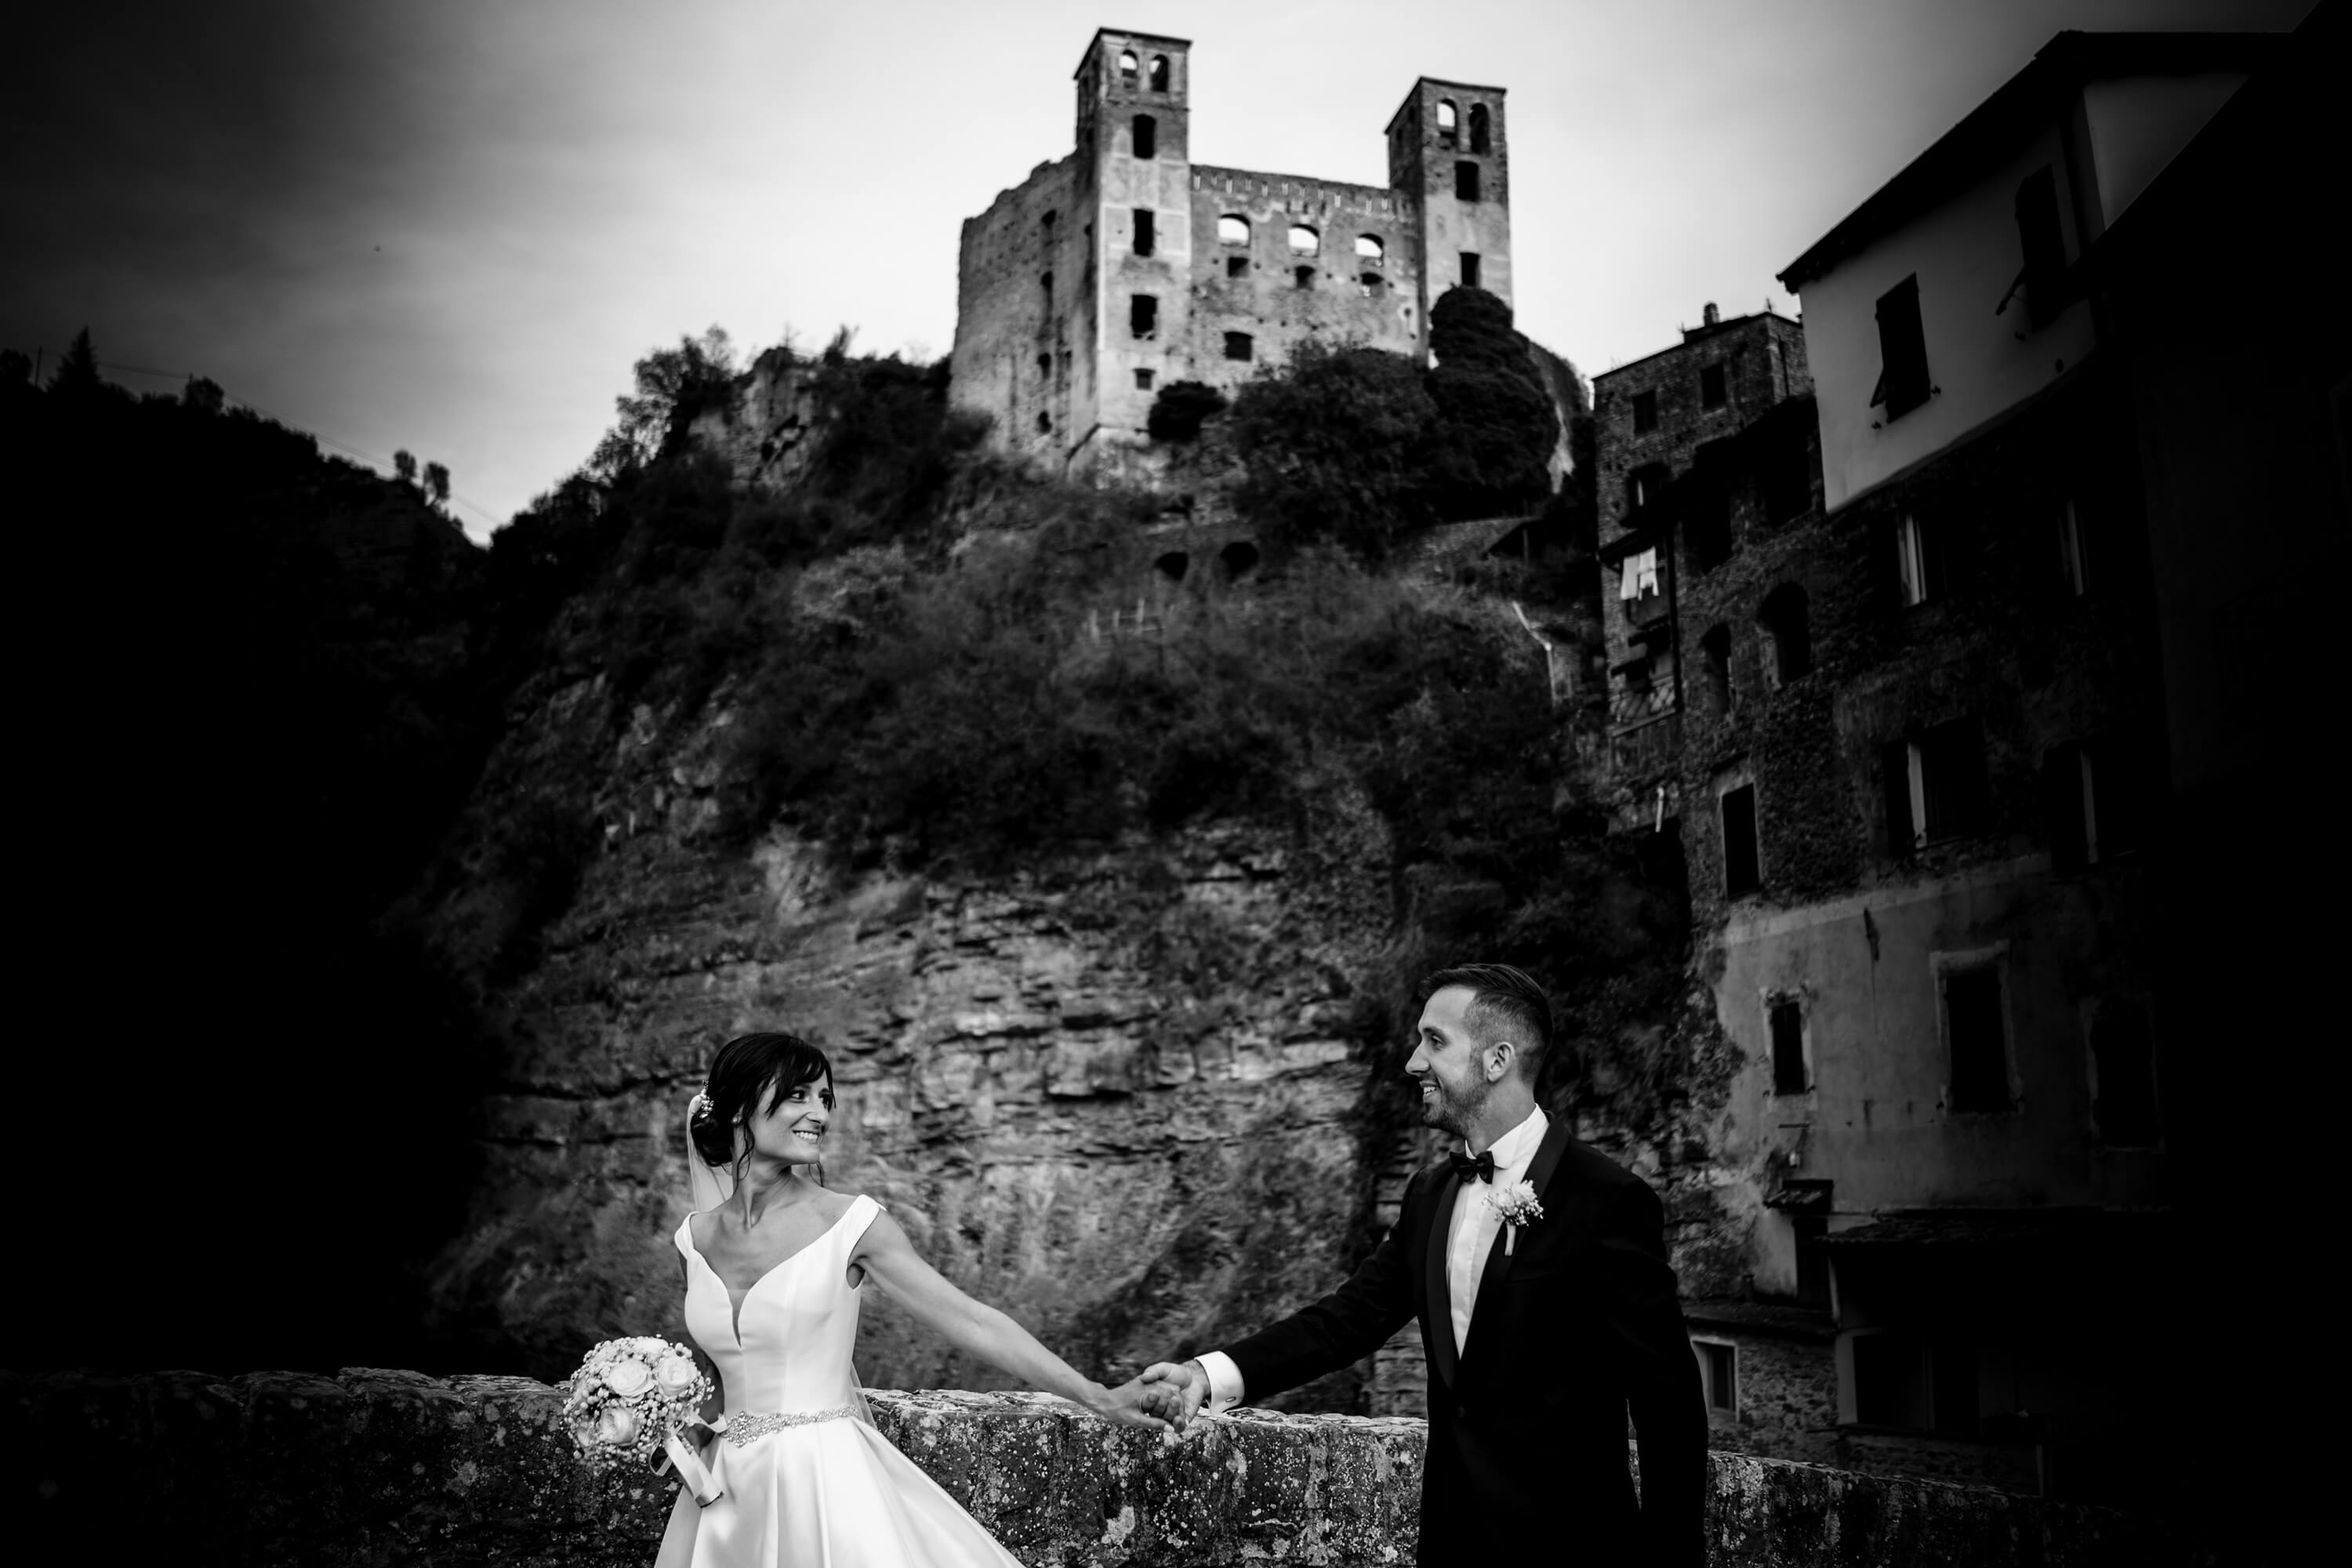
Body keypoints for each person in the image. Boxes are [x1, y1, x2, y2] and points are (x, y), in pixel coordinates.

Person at [1141, 964, 1708, 1566]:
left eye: (1434, 1041)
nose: (1414, 1062)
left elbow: (1667, 1402)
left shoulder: (1608, 1200)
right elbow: (1344, 1322)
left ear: (1497, 1060)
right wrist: (1207, 1375)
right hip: (1450, 1542)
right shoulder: (1428, 1196)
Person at [653, 1031, 1168, 1567]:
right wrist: (671, 1415)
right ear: (738, 1107)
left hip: (824, 1482)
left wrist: (1098, 1396)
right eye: (798, 1095)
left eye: (825, 1099)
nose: (820, 1115)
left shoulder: (851, 1223)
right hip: (722, 1492)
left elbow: (973, 1320)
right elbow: (725, 1369)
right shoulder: (694, 1238)